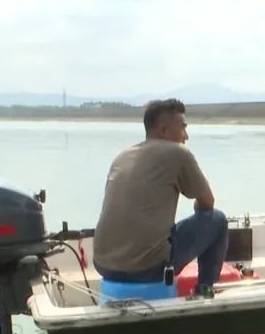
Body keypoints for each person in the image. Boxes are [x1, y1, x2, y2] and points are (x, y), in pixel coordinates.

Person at [93, 98, 228, 299]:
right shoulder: (178, 153)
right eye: (183, 128)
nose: (186, 136)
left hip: (103, 265)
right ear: (164, 130)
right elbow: (207, 203)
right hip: (147, 269)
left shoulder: (123, 155)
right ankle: (204, 290)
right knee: (216, 219)